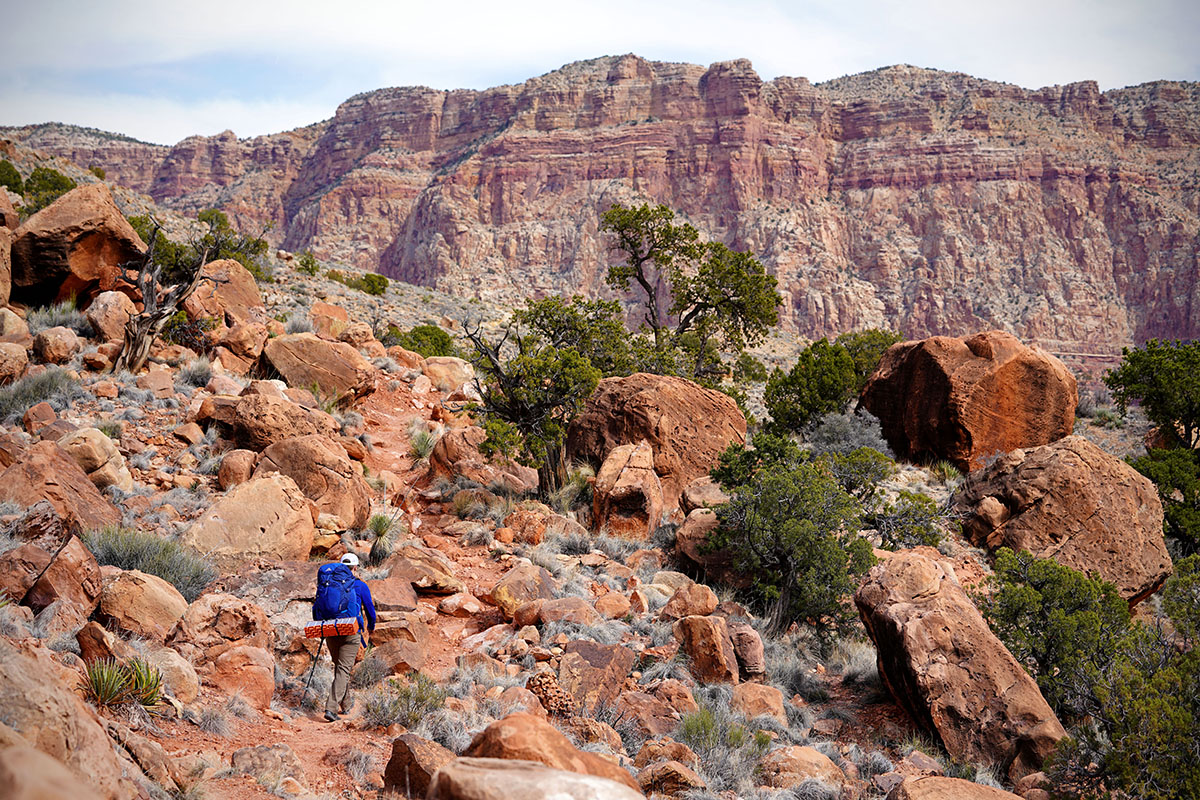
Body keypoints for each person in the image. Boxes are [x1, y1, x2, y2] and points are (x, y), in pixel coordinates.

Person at [324, 552, 376, 721]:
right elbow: (370, 610)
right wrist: (371, 627)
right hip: (350, 630)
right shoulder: (360, 586)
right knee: (344, 670)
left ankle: (345, 704)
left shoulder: (329, 583)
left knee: (340, 668)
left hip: (331, 629)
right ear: (355, 567)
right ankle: (331, 708)